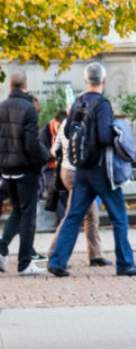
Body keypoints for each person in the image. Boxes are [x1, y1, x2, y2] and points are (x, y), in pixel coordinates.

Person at [48, 63, 136, 277]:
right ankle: (125, 263)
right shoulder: (102, 105)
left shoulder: (77, 102)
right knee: (119, 216)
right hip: (101, 169)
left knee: (74, 215)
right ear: (103, 81)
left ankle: (57, 261)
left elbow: (66, 130)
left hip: (80, 168)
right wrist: (118, 135)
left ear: (86, 81)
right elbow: (104, 136)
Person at [0, 71, 51, 275]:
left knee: (18, 212)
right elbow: (32, 143)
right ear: (25, 85)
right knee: (28, 215)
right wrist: (44, 157)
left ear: (11, 85)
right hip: (24, 169)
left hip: (6, 170)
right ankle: (24, 262)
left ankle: (2, 247)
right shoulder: (28, 109)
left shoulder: (1, 107)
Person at [47, 114, 111, 266]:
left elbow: (54, 150)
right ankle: (54, 253)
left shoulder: (64, 124)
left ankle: (95, 255)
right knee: (72, 215)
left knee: (91, 214)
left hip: (66, 171)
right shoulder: (85, 125)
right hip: (78, 173)